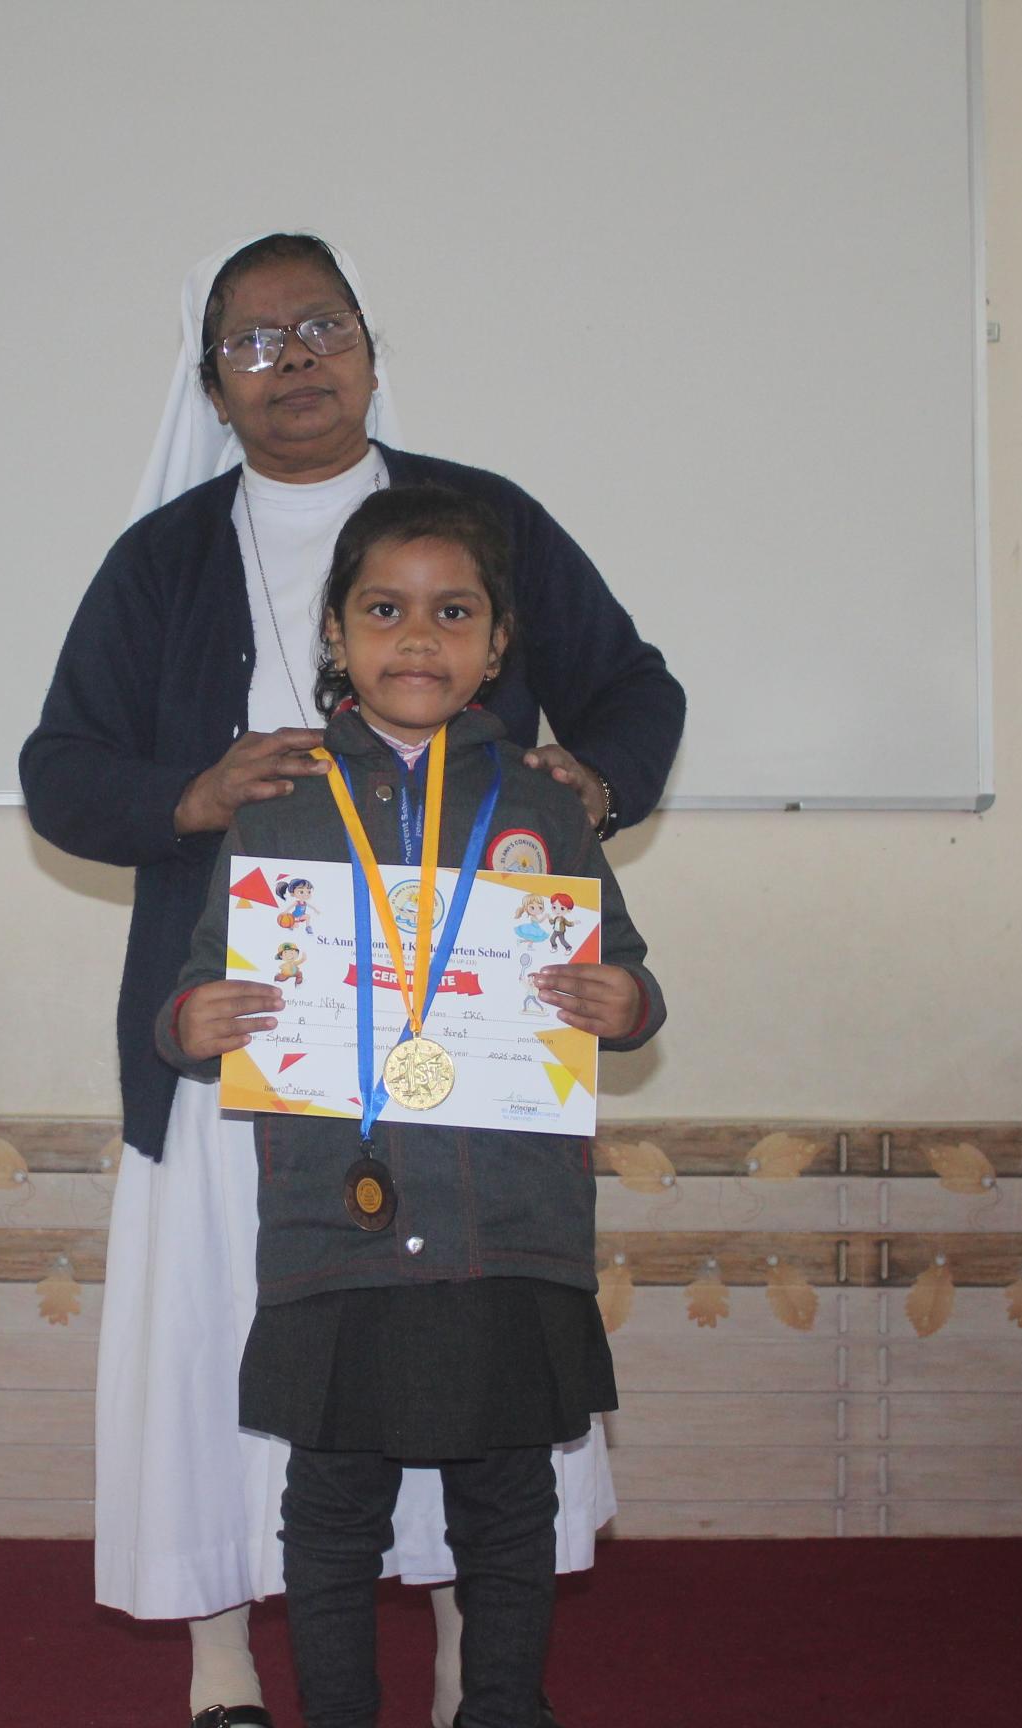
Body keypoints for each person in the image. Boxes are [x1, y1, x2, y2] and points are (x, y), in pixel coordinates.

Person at [21, 234, 684, 1728]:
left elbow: (638, 688)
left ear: (374, 351)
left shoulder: (476, 523)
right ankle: (221, 1665)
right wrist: (193, 798)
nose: (295, 359)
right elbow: (57, 771)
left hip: (477, 1073)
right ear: (212, 387)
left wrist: (594, 783)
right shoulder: (161, 558)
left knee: (468, 1357)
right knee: (249, 1345)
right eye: (254, 341)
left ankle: (463, 1663)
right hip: (258, 1034)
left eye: (321, 326)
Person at [157, 484, 662, 1728]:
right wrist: (192, 1025)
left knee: (509, 1505)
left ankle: (502, 1709)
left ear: (498, 645)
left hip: (512, 1229)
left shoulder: (548, 803)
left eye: (454, 612)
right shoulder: (278, 802)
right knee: (331, 1511)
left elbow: (629, 978)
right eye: (385, 610)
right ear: (335, 632)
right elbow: (198, 994)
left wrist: (626, 1003)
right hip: (339, 1226)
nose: (419, 638)